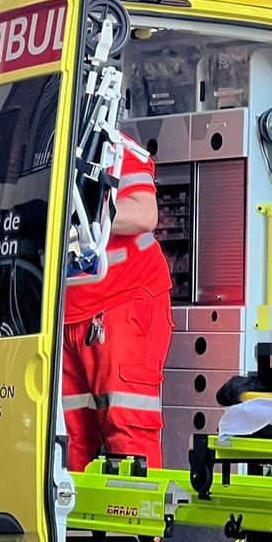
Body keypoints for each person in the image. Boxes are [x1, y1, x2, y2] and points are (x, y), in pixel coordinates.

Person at [60, 136, 172, 471]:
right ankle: (76, 522)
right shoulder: (49, 140)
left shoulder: (113, 144)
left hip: (124, 299)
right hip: (67, 312)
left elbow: (143, 213)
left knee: (127, 427)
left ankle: (134, 519)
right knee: (71, 437)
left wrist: (80, 209)